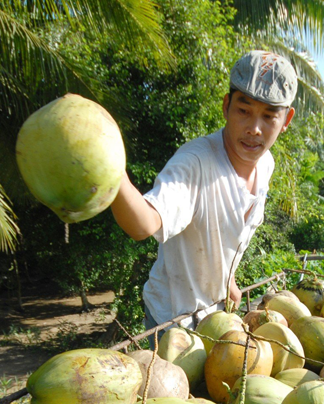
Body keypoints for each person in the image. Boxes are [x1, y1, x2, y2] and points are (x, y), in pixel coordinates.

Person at [109, 51, 297, 333]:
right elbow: (143, 224)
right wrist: (110, 167)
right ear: (226, 106)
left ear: (286, 121)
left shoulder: (265, 162)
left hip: (215, 313)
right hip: (173, 320)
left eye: (269, 116)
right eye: (243, 111)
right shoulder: (195, 163)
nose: (254, 129)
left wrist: (228, 280)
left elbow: (230, 235)